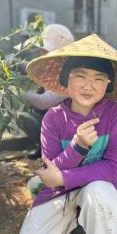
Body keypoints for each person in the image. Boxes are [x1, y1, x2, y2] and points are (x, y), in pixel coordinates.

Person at [16, 34, 117, 234]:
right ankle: (75, 216)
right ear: (66, 79)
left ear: (108, 83)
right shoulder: (52, 119)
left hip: (98, 189)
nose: (89, 86)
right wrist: (77, 147)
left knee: (98, 193)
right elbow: (50, 172)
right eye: (80, 76)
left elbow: (112, 168)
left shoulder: (114, 115)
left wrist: (61, 176)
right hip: (62, 191)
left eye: (99, 79)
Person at [19, 24, 75, 159]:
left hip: (69, 126)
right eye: (42, 50)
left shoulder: (70, 76)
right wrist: (17, 65)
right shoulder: (54, 66)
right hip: (57, 119)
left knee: (27, 118)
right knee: (34, 110)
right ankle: (44, 146)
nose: (42, 54)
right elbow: (35, 70)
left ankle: (57, 150)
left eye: (46, 51)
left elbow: (44, 102)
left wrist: (16, 93)